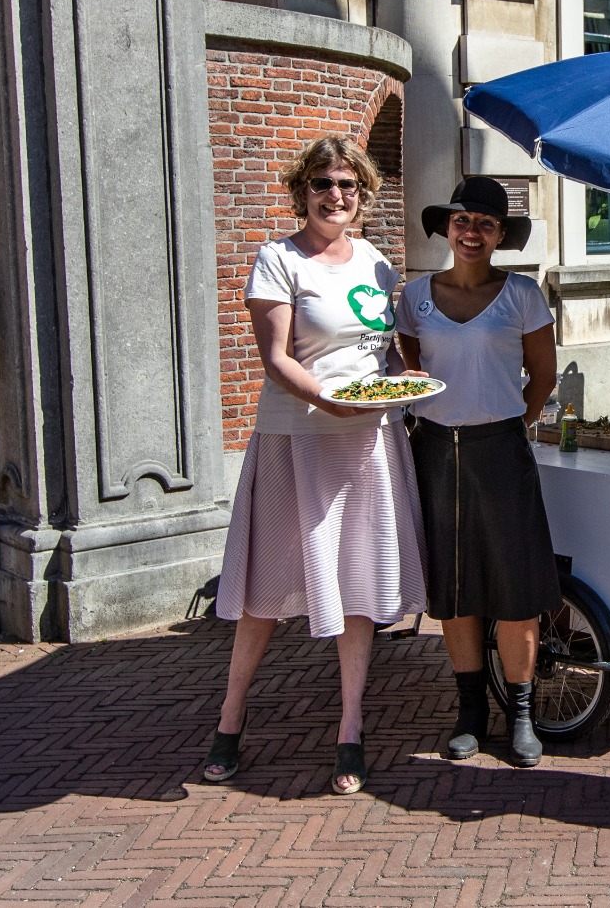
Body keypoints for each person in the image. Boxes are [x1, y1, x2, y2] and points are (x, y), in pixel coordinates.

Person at [203, 136, 428, 795]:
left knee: (359, 579)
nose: (336, 195)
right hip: (297, 439)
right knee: (266, 585)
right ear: (302, 190)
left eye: (348, 185)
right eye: (323, 183)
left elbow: (382, 354)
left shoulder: (379, 264)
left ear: (363, 195)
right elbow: (276, 358)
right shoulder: (278, 260)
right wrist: (328, 400)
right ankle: (230, 716)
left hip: (369, 439)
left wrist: (404, 380)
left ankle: (350, 727)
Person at [395, 176, 561, 767]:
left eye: (486, 224)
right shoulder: (415, 296)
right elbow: (411, 369)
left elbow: (543, 375)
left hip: (501, 451)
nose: (472, 232)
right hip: (436, 450)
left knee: (516, 587)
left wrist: (508, 421)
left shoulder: (522, 294)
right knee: (455, 585)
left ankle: (521, 713)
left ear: (499, 235)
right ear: (447, 227)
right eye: (462, 220)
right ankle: (470, 711)